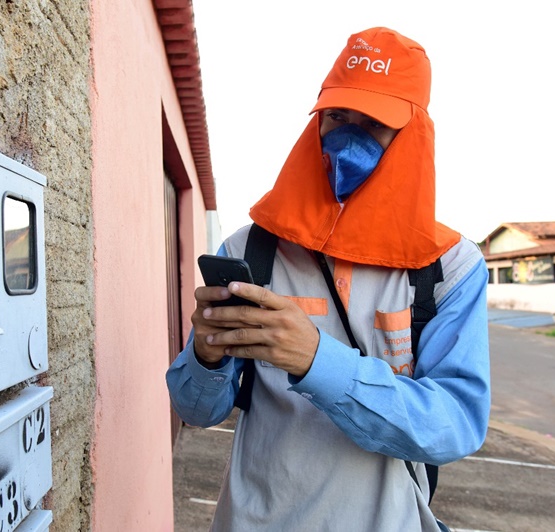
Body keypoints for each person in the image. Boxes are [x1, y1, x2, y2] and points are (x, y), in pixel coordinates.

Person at [166, 27, 490, 531]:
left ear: (414, 135)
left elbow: (456, 426)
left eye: (373, 123)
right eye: (337, 116)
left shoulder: (448, 266)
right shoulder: (250, 248)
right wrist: (206, 356)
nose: (347, 137)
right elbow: (197, 410)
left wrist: (318, 360)